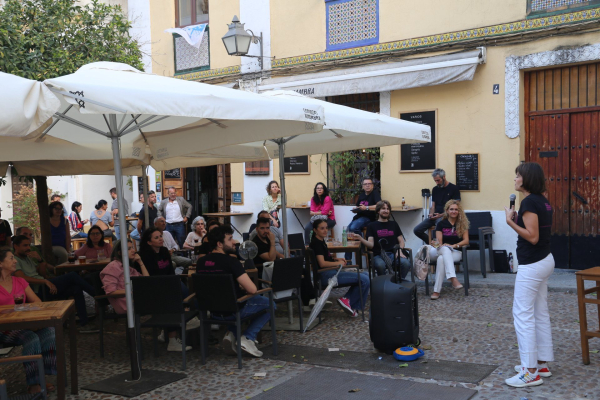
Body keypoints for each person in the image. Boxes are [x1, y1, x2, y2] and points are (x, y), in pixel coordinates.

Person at [504, 162, 555, 388]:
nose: (515, 179)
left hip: (533, 263)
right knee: (539, 312)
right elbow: (535, 232)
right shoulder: (542, 201)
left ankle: (530, 372)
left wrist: (509, 222)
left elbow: (532, 237)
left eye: (517, 175)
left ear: (525, 179)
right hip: (544, 260)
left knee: (522, 314)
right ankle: (540, 364)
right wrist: (517, 220)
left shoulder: (529, 201)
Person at [196, 225, 273, 357]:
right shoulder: (231, 262)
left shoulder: (201, 262)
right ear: (220, 244)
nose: (234, 242)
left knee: (240, 301)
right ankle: (248, 337)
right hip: (233, 309)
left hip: (213, 312)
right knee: (270, 304)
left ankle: (231, 333)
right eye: (230, 239)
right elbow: (253, 289)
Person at [0, 248, 57, 395]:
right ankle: (33, 383)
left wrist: (29, 315)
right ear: (0, 263)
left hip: (23, 324)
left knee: (49, 331)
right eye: (11, 258)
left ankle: (41, 378)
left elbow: (37, 302)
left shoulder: (20, 281)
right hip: (4, 329)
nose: (15, 261)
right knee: (31, 338)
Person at [13, 235, 98, 332]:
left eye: (28, 245)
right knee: (72, 275)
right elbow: (21, 278)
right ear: (16, 246)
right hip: (37, 290)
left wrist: (40, 261)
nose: (28, 248)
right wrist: (45, 281)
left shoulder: (27, 257)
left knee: (76, 288)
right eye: (25, 245)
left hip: (45, 286)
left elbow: (40, 272)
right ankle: (96, 294)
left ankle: (83, 324)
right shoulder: (15, 260)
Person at [138, 227, 199, 349]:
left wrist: (172, 282)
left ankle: (186, 318)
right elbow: (151, 277)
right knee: (174, 299)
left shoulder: (164, 251)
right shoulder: (145, 256)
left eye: (160, 236)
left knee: (184, 289)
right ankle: (179, 328)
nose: (161, 239)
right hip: (155, 288)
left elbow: (171, 271)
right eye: (157, 237)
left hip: (169, 283)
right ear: (149, 242)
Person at [309, 219, 370, 318]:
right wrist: (338, 263)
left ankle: (347, 300)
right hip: (327, 276)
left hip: (330, 272)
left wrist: (336, 259)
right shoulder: (317, 244)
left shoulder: (320, 241)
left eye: (326, 228)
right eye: (322, 228)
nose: (325, 230)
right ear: (315, 230)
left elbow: (325, 258)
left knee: (365, 275)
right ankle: (350, 303)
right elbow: (322, 263)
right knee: (365, 279)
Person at [352, 201, 410, 277]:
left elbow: (401, 241)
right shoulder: (371, 225)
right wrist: (360, 238)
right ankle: (384, 284)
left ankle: (398, 283)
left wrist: (399, 250)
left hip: (393, 254)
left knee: (406, 263)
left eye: (388, 209)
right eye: (383, 208)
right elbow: (370, 245)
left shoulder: (394, 224)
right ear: (378, 211)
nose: (386, 211)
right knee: (380, 265)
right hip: (378, 255)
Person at [428, 200, 469, 300]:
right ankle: (452, 278)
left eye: (456, 209)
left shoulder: (462, 224)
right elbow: (439, 244)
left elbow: (466, 241)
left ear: (459, 211)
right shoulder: (441, 224)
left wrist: (454, 245)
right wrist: (437, 244)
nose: (454, 211)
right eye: (451, 209)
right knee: (444, 250)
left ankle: (436, 291)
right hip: (440, 250)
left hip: (455, 251)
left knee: (441, 259)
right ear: (447, 210)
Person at [100, 239, 149, 314]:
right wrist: (133, 292)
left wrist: (140, 262)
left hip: (136, 299)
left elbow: (147, 281)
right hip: (124, 303)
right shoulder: (113, 266)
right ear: (120, 253)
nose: (133, 251)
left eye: (132, 247)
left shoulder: (128, 267)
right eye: (129, 249)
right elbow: (110, 291)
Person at [413, 168, 461, 244]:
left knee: (438, 224)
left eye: (438, 180)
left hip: (446, 216)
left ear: (444, 177)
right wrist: (431, 214)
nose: (436, 182)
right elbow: (433, 205)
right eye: (435, 180)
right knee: (417, 230)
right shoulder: (435, 189)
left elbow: (457, 208)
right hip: (435, 216)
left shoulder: (454, 188)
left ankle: (437, 244)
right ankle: (432, 242)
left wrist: (441, 215)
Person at [346, 177, 381, 261]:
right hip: (358, 217)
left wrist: (367, 208)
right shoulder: (361, 195)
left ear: (372, 185)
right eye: (365, 184)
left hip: (369, 217)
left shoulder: (375, 194)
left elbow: (379, 205)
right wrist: (356, 209)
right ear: (362, 186)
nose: (367, 185)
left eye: (369, 184)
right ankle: (348, 261)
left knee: (354, 228)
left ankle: (361, 247)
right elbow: (359, 207)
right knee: (347, 232)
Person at [49, 201, 71, 265]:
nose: (59, 210)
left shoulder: (64, 221)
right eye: (56, 208)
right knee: (63, 254)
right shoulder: (47, 221)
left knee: (74, 255)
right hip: (53, 246)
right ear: (51, 209)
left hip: (65, 245)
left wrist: (68, 249)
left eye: (60, 209)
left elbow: (68, 236)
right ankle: (59, 271)